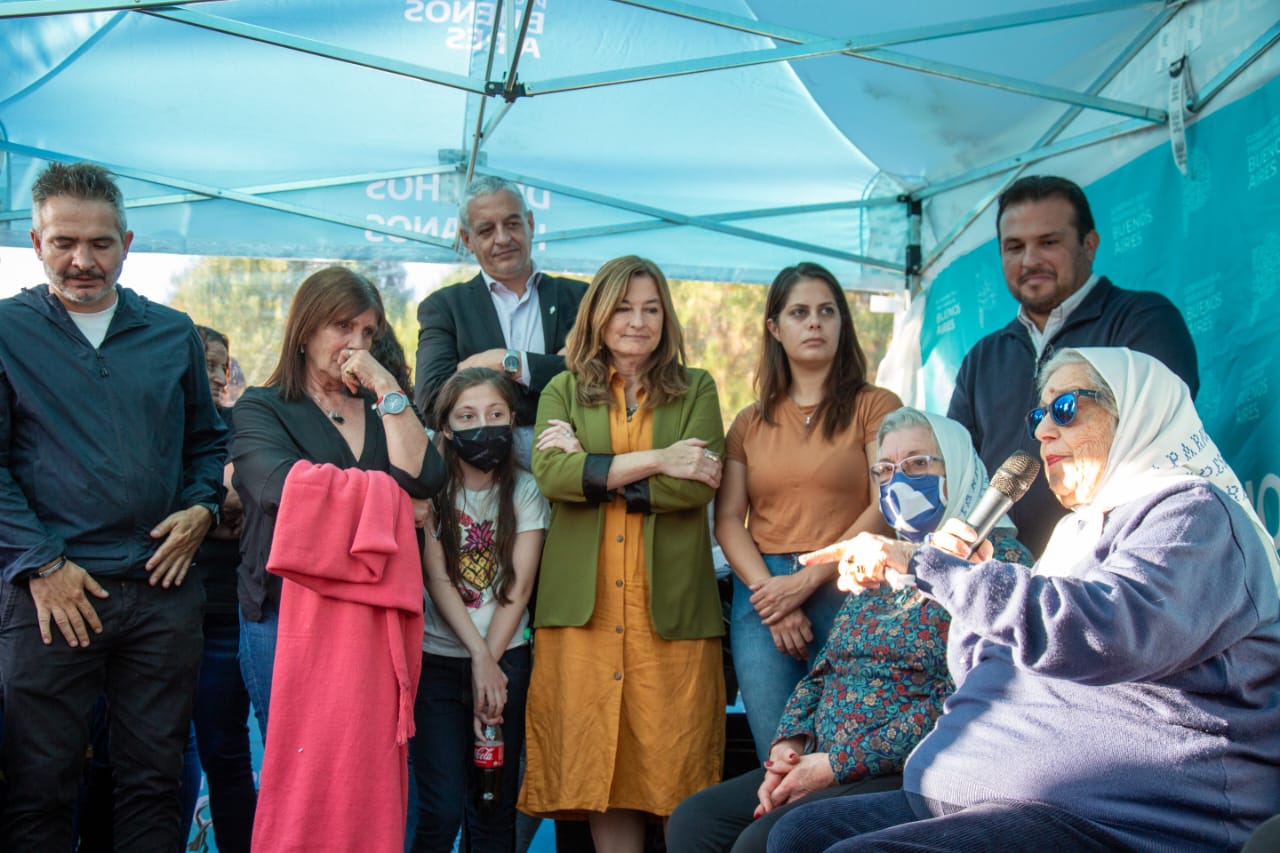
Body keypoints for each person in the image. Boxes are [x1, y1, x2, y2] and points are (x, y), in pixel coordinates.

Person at [772, 347, 1280, 852]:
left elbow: (1103, 634)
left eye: (1066, 408)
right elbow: (981, 668)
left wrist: (925, 564)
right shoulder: (1075, 533)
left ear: (1135, 413)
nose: (1042, 432)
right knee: (797, 835)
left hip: (1125, 817)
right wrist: (970, 579)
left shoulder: (1193, 514)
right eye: (1039, 414)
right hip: (988, 794)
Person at [667, 408, 1031, 853]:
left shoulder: (998, 566)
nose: (899, 480)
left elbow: (968, 702)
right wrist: (790, 747)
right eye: (885, 470)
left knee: (761, 841)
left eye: (918, 464)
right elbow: (825, 669)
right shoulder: (878, 559)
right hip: (819, 754)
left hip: (903, 768)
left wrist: (836, 765)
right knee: (696, 820)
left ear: (955, 465)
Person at [0, 162, 227, 850]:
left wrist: (203, 508)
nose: (82, 259)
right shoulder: (8, 331)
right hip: (51, 595)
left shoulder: (171, 331)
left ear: (126, 242)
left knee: (153, 781)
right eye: (64, 241)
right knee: (39, 783)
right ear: (35, 242)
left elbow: (207, 441)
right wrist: (43, 562)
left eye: (100, 243)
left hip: (161, 591)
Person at [519, 255, 726, 852]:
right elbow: (555, 476)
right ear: (599, 316)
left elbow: (696, 484)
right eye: (624, 308)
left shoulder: (698, 387)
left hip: (671, 616)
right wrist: (660, 458)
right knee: (602, 778)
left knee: (677, 768)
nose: (638, 322)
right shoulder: (562, 388)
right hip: (582, 618)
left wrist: (596, 472)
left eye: (651, 308)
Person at [231, 266, 445, 735]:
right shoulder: (261, 406)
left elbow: (425, 478)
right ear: (306, 332)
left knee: (375, 757)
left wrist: (388, 389)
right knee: (299, 762)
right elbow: (282, 491)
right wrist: (393, 507)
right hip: (284, 613)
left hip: (373, 613)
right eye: (343, 326)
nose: (358, 343)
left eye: (368, 331)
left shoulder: (383, 408)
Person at [947, 175, 1199, 558]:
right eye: (1014, 247)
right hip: (1000, 576)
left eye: (1048, 242)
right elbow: (959, 471)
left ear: (1089, 244)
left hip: (1119, 570)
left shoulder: (1143, 319)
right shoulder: (983, 357)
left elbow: (1156, 443)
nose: (1030, 260)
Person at [717, 262, 901, 759]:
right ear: (775, 328)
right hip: (763, 595)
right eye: (799, 312)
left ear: (843, 323)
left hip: (851, 584)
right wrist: (771, 597)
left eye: (827, 311)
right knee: (779, 756)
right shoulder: (748, 422)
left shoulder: (877, 406)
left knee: (847, 754)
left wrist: (807, 578)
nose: (815, 323)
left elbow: (887, 500)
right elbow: (729, 518)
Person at [411, 368, 549, 853]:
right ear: (446, 427)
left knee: (492, 809)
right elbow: (438, 577)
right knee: (440, 808)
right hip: (440, 662)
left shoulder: (525, 489)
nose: (482, 426)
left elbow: (521, 582)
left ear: (513, 419)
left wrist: (492, 661)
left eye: (495, 414)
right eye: (466, 416)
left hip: (507, 659)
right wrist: (478, 660)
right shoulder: (433, 491)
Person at [414, 176, 588, 466]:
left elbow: (597, 382)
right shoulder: (445, 307)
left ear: (530, 224)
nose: (503, 238)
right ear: (467, 239)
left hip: (567, 474)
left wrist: (510, 362)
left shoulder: (581, 300)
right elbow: (432, 402)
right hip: (480, 484)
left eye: (512, 224)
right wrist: (552, 371)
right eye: (486, 230)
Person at [189, 325, 256, 852]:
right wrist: (219, 503)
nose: (216, 375)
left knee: (225, 750)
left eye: (221, 364)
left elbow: (249, 496)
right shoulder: (156, 425)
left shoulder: (243, 422)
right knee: (152, 755)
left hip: (225, 613)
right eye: (204, 362)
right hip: (157, 611)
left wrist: (200, 507)